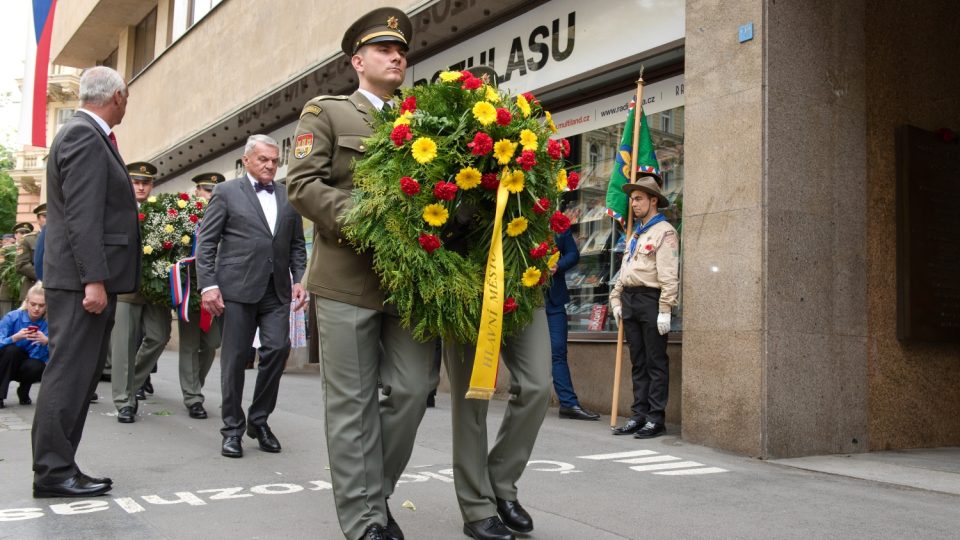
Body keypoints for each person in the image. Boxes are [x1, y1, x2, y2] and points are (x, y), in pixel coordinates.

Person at [287, 8, 437, 540]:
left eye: (401, 51)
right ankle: (364, 521)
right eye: (384, 50)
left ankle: (377, 493)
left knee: (414, 389)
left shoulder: (422, 123)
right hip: (348, 279)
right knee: (351, 405)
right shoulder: (326, 112)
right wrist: (372, 221)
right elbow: (302, 186)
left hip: (409, 283)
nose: (397, 56)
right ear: (358, 61)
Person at [31, 65, 139, 498]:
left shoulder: (86, 135)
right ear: (116, 97)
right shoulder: (83, 136)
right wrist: (94, 279)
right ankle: (53, 472)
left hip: (82, 280)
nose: (126, 105)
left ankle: (60, 465)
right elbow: (81, 215)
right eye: (126, 98)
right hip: (82, 283)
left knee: (78, 376)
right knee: (69, 376)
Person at [197, 134, 307, 459]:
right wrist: (208, 285)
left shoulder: (289, 197)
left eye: (274, 160)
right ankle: (232, 429)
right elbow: (206, 243)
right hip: (236, 289)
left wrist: (301, 280)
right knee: (234, 360)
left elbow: (297, 246)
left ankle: (258, 421)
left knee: (278, 349)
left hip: (277, 291)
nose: (270, 165)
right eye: (263, 159)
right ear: (247, 160)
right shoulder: (226, 192)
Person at [609, 175, 679, 439]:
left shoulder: (665, 232)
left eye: (638, 199)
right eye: (632, 199)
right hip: (630, 299)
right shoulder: (636, 234)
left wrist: (665, 308)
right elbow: (625, 271)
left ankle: (655, 418)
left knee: (655, 362)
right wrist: (616, 300)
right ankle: (638, 415)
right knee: (638, 362)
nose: (633, 204)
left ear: (653, 200)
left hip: (651, 300)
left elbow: (669, 274)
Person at [110, 162, 168, 424]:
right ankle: (124, 402)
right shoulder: (116, 208)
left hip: (155, 288)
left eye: (146, 182)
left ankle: (132, 384)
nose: (141, 186)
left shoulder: (161, 213)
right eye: (136, 182)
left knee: (159, 336)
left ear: (152, 185)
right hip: (124, 286)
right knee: (123, 345)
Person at [177, 172, 225, 420]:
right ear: (197, 192)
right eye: (207, 191)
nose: (211, 196)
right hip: (189, 289)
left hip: (217, 289)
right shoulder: (184, 217)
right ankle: (193, 397)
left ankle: (194, 384)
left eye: (215, 192)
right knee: (189, 344)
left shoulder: (226, 215)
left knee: (212, 343)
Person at [548, 229, 600, 421]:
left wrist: (558, 265)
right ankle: (522, 396)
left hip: (553, 302)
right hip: (525, 303)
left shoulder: (557, 223)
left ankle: (569, 405)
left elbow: (573, 254)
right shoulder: (516, 215)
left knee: (558, 351)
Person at [0, 283, 49, 408]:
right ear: (26, 302)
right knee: (12, 351)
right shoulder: (13, 317)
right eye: (33, 304)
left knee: (37, 365)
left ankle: (24, 390)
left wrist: (46, 342)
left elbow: (50, 356)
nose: (37, 309)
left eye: (41, 305)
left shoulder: (48, 323)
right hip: (6, 361)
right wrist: (13, 338)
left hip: (28, 364)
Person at [16, 208, 45, 302]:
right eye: (45, 216)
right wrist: (43, 276)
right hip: (32, 288)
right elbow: (21, 265)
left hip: (56, 290)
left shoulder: (61, 239)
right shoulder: (28, 240)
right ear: (38, 220)